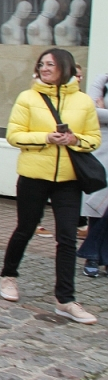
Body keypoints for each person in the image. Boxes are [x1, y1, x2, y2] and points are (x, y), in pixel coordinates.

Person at [0, 48, 101, 324]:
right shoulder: (28, 98)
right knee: (26, 228)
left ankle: (65, 300)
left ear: (65, 67)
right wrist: (46, 137)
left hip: (68, 180)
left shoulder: (83, 101)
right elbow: (14, 135)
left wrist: (75, 140)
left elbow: (94, 138)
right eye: (41, 64)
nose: (44, 68)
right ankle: (8, 275)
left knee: (67, 237)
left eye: (50, 64)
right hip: (34, 176)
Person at [79, 70, 108, 277]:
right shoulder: (103, 79)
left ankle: (95, 253)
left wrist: (103, 110)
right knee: (99, 203)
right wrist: (99, 110)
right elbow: (91, 111)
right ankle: (94, 257)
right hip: (103, 149)